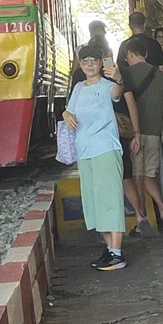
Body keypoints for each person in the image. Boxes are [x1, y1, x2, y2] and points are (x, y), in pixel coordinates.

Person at [63, 46, 127, 271]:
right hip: (85, 152)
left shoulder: (107, 86)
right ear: (80, 64)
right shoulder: (79, 88)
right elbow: (68, 110)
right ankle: (110, 250)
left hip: (105, 150)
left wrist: (119, 79)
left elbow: (118, 93)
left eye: (94, 60)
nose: (90, 64)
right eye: (85, 61)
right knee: (94, 203)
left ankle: (117, 253)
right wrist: (66, 114)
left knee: (109, 200)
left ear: (101, 63)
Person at [123, 43, 163, 236]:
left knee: (137, 177)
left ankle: (141, 221)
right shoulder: (161, 76)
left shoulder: (126, 74)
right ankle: (162, 208)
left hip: (134, 132)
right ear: (146, 53)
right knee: (149, 176)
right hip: (154, 132)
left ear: (128, 55)